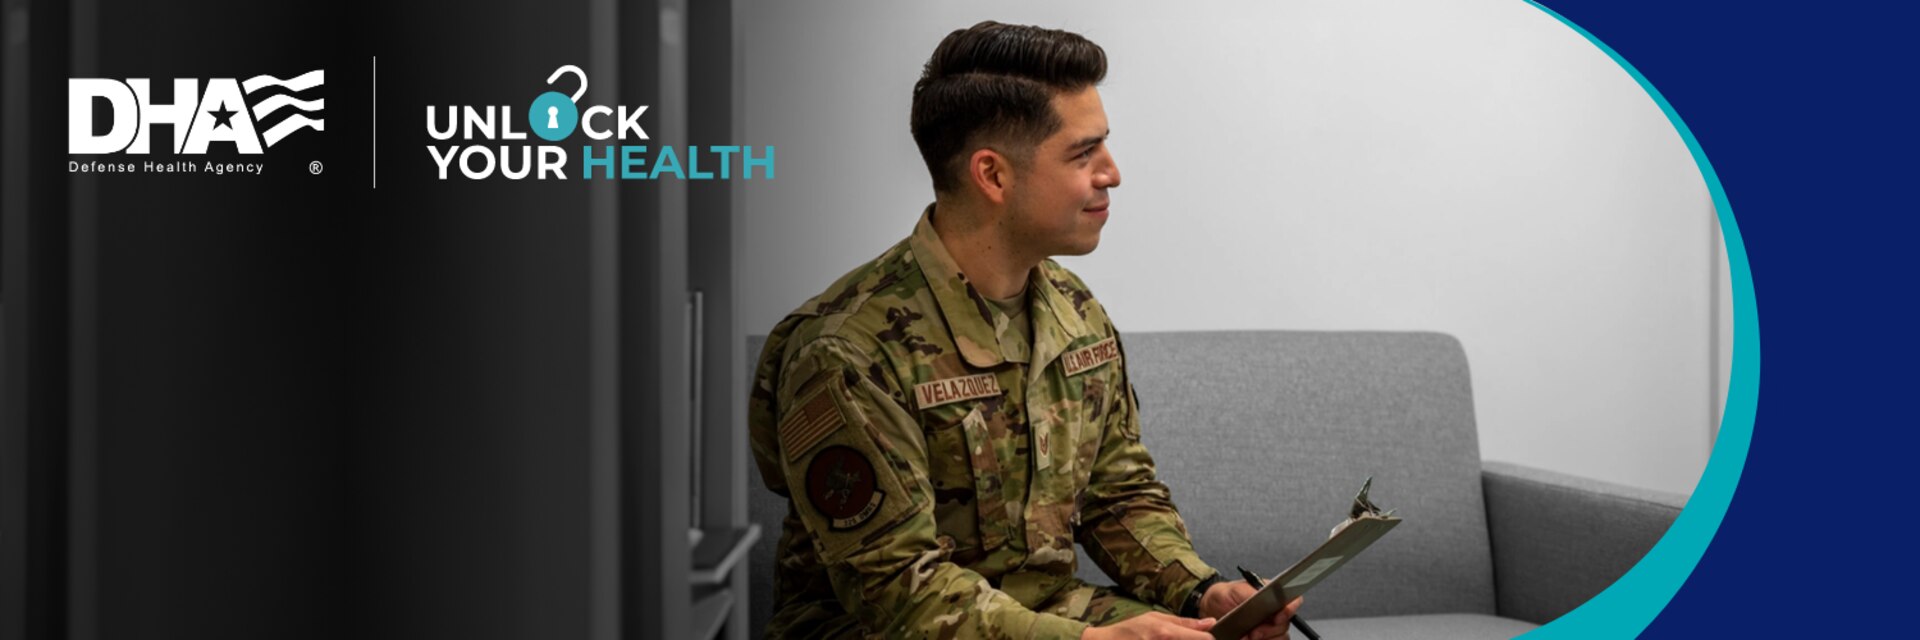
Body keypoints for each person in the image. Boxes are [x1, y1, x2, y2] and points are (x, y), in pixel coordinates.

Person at [748, 20, 1303, 640]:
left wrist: (1202, 591)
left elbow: (1117, 495)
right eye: (1083, 153)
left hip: (1046, 615)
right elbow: (898, 590)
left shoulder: (1072, 309)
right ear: (993, 175)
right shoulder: (847, 352)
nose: (1112, 173)